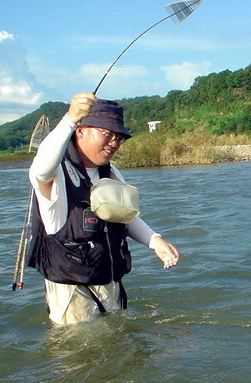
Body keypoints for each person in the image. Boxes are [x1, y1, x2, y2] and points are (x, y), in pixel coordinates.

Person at [27, 92, 179, 325]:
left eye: (119, 138)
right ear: (81, 131)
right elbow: (41, 169)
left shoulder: (110, 172)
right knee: (78, 357)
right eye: (106, 134)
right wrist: (69, 119)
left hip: (110, 282)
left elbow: (122, 215)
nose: (114, 143)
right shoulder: (56, 172)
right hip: (72, 291)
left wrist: (154, 240)